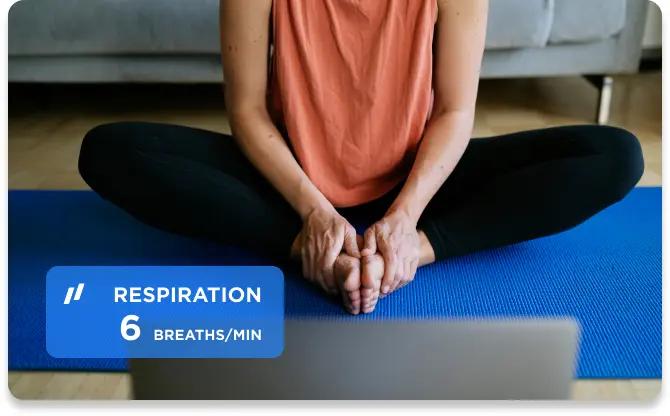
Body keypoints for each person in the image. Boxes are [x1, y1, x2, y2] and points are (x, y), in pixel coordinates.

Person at [78, 0, 643, 315]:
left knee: (614, 155)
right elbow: (249, 111)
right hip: (293, 183)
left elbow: (454, 112)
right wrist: (315, 214)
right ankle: (315, 250)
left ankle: (410, 255)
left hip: (416, 180)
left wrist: (405, 225)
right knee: (110, 150)